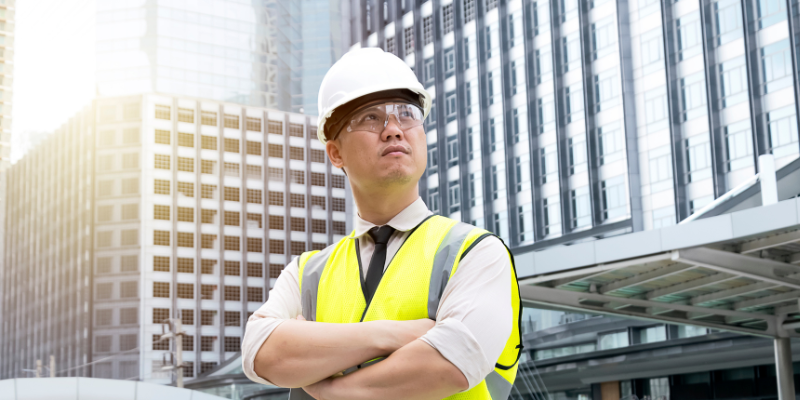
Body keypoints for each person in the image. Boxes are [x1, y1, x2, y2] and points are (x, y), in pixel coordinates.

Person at [241, 47, 522, 400]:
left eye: (406, 114)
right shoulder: (307, 273)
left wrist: (328, 389)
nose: (393, 130)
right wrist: (392, 335)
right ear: (336, 153)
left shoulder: (476, 253)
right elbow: (259, 353)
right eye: (370, 118)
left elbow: (453, 361)